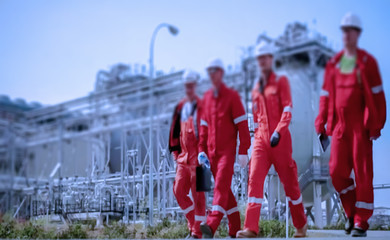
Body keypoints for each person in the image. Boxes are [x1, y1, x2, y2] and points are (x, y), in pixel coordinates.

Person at [315, 12, 386, 237]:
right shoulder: (334, 64)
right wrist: (321, 122)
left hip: (360, 127)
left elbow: (378, 95)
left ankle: (361, 223)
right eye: (344, 31)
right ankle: (350, 212)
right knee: (336, 173)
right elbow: (325, 95)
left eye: (351, 31)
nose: (347, 35)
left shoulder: (368, 62)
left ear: (357, 34)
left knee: (363, 175)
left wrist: (376, 124)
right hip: (339, 127)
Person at [236, 42, 307, 238]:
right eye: (260, 58)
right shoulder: (256, 89)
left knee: (290, 183)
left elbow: (288, 107)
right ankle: (251, 227)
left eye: (266, 57)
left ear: (271, 59)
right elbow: (257, 117)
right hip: (261, 141)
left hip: (280, 140)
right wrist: (256, 141)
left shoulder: (281, 81)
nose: (263, 61)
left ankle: (301, 225)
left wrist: (279, 130)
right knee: (254, 179)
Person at [198, 58, 251, 238]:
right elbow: (203, 128)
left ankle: (211, 225)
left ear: (221, 73)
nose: (212, 74)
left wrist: (243, 150)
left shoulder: (232, 97)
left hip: (226, 154)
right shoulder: (206, 99)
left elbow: (243, 126)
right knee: (225, 192)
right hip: (211, 155)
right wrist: (201, 150)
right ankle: (235, 227)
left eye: (215, 71)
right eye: (209, 71)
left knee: (220, 186)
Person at [169, 70, 206, 238]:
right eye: (186, 86)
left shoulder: (203, 105)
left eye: (191, 85)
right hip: (184, 158)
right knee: (178, 190)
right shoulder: (180, 106)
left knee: (200, 196)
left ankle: (198, 233)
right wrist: (175, 154)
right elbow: (174, 131)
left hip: (200, 157)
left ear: (196, 85)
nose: (189, 88)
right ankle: (193, 224)